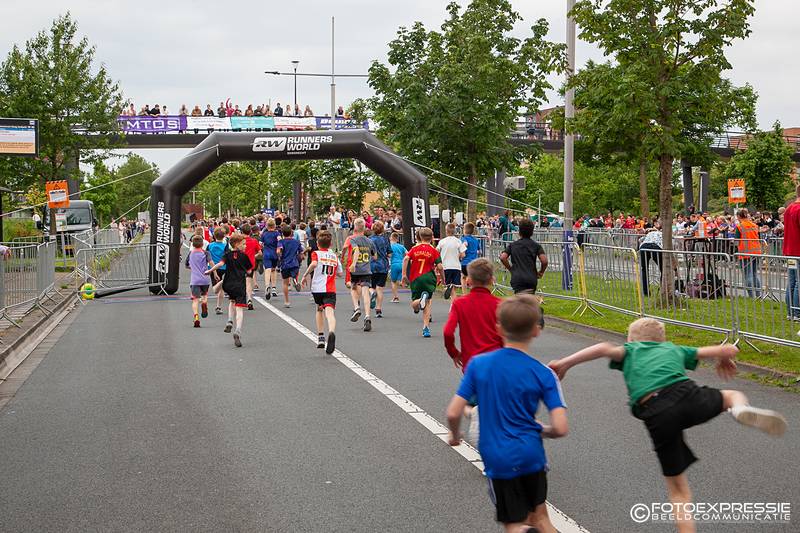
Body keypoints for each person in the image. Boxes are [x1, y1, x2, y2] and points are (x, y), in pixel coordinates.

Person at [549, 317, 786, 533]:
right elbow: (729, 349)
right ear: (662, 340)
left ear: (631, 340)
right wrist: (724, 357)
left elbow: (602, 348)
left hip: (656, 414)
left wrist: (565, 363)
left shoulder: (630, 350)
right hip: (687, 394)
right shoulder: (673, 348)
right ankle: (740, 410)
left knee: (678, 490)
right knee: (732, 395)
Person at [446, 295, 567, 533]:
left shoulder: (478, 365)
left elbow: (453, 412)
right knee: (541, 518)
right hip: (531, 453)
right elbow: (561, 428)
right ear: (536, 330)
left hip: (498, 456)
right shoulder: (544, 373)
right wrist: (543, 430)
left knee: (513, 523)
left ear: (498, 328)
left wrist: (455, 435)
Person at [205, 233, 252, 347]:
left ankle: (230, 320)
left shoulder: (227, 255)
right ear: (237, 244)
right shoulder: (244, 256)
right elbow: (249, 271)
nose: (245, 246)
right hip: (239, 285)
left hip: (228, 284)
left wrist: (210, 271)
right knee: (239, 309)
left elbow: (220, 264)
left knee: (232, 301)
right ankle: (238, 330)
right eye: (243, 244)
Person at [499, 219, 548, 326]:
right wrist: (541, 272)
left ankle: (522, 321)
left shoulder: (513, 245)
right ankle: (535, 314)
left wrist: (510, 268)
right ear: (532, 232)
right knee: (529, 298)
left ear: (519, 231)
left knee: (520, 300)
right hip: (531, 277)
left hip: (517, 276)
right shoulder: (536, 246)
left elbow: (503, 257)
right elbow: (544, 261)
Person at [301, 230, 342, 354]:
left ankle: (320, 336)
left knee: (319, 309)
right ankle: (332, 332)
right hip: (330, 289)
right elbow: (340, 273)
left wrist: (305, 275)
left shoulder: (316, 254)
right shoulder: (334, 256)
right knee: (330, 313)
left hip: (317, 289)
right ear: (330, 244)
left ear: (318, 244)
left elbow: (314, 264)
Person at [402, 227, 443, 338]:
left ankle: (420, 300)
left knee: (414, 303)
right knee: (427, 303)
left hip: (416, 278)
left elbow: (406, 259)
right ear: (432, 237)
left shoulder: (414, 249)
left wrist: (404, 275)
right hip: (429, 278)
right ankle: (426, 328)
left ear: (419, 237)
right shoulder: (433, 250)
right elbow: (440, 266)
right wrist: (443, 279)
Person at [345, 218, 377, 332]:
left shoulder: (353, 239)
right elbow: (375, 257)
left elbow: (356, 250)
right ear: (364, 228)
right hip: (366, 269)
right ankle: (367, 316)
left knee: (353, 288)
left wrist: (353, 264)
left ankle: (357, 308)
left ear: (355, 227)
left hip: (356, 269)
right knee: (365, 293)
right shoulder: (370, 241)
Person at [184, 235, 213, 328]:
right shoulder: (206, 253)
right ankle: (204, 303)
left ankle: (196, 317)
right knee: (204, 295)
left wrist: (193, 267)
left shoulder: (191, 253)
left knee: (195, 300)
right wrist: (214, 272)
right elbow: (211, 263)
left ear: (192, 244)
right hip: (205, 279)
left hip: (195, 280)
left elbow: (186, 265)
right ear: (202, 244)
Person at [734, 209, 763, 298]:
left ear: (739, 216)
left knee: (748, 275)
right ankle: (758, 296)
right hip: (756, 252)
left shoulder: (739, 226)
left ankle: (751, 297)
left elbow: (736, 242)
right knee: (754, 274)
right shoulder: (754, 225)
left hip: (745, 253)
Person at [782, 183, 800, 320]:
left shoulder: (788, 209)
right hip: (798, 250)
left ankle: (790, 312)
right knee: (798, 282)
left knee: (792, 281)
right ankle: (797, 313)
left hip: (789, 250)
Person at [437, 223, 466, 299]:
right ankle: (452, 299)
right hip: (456, 266)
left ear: (446, 231)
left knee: (449, 286)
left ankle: (448, 289)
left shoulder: (442, 242)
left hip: (446, 266)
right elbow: (463, 254)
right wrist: (458, 256)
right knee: (454, 289)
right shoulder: (458, 241)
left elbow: (437, 252)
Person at [277, 224, 304, 308]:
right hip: (294, 263)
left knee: (285, 283)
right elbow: (301, 253)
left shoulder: (281, 242)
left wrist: (279, 255)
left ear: (282, 233)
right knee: (294, 275)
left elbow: (278, 251)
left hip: (285, 263)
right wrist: (301, 257)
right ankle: (295, 280)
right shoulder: (296, 242)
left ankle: (287, 301)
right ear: (291, 233)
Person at [368, 221, 390, 318]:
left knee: (370, 286)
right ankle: (378, 309)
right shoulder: (385, 239)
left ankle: (372, 293)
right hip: (383, 265)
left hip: (372, 265)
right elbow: (389, 253)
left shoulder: (369, 239)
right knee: (380, 288)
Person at [207, 227, 230, 315]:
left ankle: (218, 307)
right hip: (223, 267)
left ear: (214, 235)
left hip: (213, 268)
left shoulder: (210, 245)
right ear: (224, 236)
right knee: (220, 289)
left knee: (216, 289)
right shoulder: (225, 246)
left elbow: (207, 258)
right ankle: (218, 306)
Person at [240, 223, 262, 310]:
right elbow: (260, 253)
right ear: (250, 232)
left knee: (240, 282)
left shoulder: (240, 241)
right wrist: (254, 256)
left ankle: (241, 299)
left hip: (240, 263)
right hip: (250, 263)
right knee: (248, 282)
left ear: (242, 232)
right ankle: (249, 299)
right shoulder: (254, 241)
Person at [639, 222, 663, 297]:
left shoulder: (650, 233)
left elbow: (640, 240)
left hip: (644, 246)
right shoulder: (662, 234)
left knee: (644, 269)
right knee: (663, 269)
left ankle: (646, 292)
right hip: (656, 247)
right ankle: (662, 289)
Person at [260, 218, 280, 300]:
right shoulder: (277, 233)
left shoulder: (264, 234)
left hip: (266, 253)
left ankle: (267, 286)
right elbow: (280, 241)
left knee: (267, 270)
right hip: (274, 253)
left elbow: (260, 244)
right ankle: (274, 288)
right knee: (273, 270)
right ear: (274, 225)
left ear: (267, 226)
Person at [460, 222, 480, 288]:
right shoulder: (475, 240)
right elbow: (479, 251)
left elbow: (465, 244)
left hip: (465, 262)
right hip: (473, 263)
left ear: (464, 230)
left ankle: (464, 292)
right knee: (472, 278)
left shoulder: (463, 238)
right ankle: (472, 291)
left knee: (463, 277)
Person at [388, 232, 406, 303]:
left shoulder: (390, 246)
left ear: (391, 238)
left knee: (393, 281)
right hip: (402, 264)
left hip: (394, 264)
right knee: (399, 279)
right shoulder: (401, 246)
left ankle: (396, 297)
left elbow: (389, 255)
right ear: (397, 239)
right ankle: (402, 282)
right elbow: (407, 253)